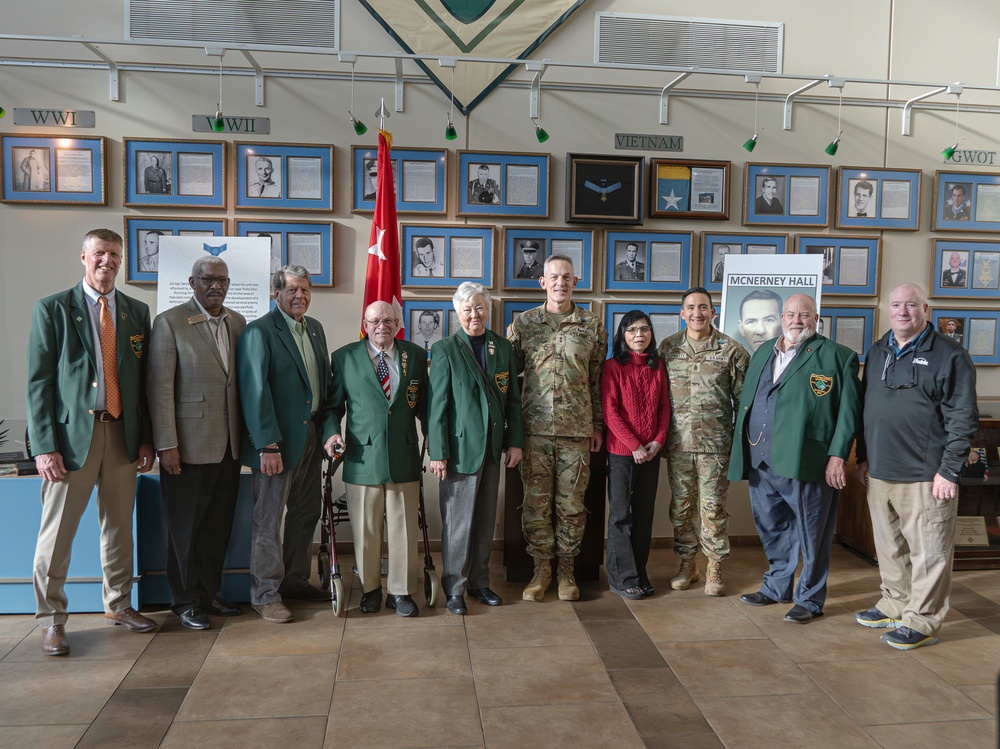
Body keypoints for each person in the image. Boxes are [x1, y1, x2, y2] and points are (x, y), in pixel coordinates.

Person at [27, 228, 156, 656]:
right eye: (100, 253)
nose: (108, 261)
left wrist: (146, 440)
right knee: (57, 535)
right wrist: (44, 446)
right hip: (70, 441)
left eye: (115, 255)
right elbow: (39, 384)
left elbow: (143, 385)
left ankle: (118, 605)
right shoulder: (54, 309)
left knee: (119, 529)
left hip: (122, 433)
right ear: (83, 257)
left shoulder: (138, 312)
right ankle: (52, 620)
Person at [854, 283, 978, 650]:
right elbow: (868, 411)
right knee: (890, 547)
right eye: (896, 305)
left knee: (929, 552)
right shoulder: (878, 351)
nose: (902, 311)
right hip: (879, 471)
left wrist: (949, 471)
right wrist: (863, 457)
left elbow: (963, 418)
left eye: (910, 305)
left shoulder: (950, 355)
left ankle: (923, 620)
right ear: (887, 310)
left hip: (926, 476)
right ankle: (895, 602)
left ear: (925, 308)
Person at [729, 293, 860, 624]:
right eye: (790, 314)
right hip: (761, 458)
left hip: (808, 460)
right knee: (771, 526)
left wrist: (837, 456)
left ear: (816, 319)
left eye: (804, 314)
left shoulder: (838, 356)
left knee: (812, 533)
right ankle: (776, 587)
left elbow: (848, 414)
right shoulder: (762, 352)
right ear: (782, 317)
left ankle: (810, 598)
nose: (796, 320)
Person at [148, 257, 246, 630]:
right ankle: (185, 600)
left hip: (228, 445)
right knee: (185, 528)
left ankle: (208, 592)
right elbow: (159, 388)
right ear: (192, 282)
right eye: (207, 280)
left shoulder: (237, 322)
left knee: (218, 525)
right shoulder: (169, 322)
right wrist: (166, 444)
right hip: (186, 447)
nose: (215, 286)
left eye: (222, 280)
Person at [236, 265, 336, 624]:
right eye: (292, 290)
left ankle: (295, 579)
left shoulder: (315, 329)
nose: (300, 296)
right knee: (268, 519)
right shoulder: (259, 332)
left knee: (305, 511)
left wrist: (327, 432)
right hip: (275, 443)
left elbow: (320, 385)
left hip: (310, 437)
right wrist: (267, 445)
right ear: (275, 293)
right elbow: (254, 391)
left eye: (306, 290)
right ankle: (265, 593)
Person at [508, 254, 607, 602]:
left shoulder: (592, 326)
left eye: (566, 277)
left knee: (572, 505)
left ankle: (566, 571)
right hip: (533, 431)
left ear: (575, 282)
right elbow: (507, 379)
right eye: (554, 277)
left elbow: (597, 382)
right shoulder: (524, 324)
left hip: (575, 432)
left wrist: (596, 425)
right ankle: (541, 570)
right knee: (535, 505)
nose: (560, 283)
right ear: (543, 282)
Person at [327, 302, 428, 617]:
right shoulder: (344, 358)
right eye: (374, 320)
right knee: (366, 529)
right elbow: (332, 408)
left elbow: (425, 406)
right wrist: (331, 434)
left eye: (387, 319)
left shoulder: (415, 355)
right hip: (361, 457)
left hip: (404, 455)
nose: (381, 325)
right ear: (365, 324)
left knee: (403, 528)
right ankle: (370, 589)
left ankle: (400, 592)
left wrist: (435, 447)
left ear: (397, 323)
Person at [428, 283, 523, 615]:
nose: (474, 315)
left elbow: (513, 400)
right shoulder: (444, 350)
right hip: (458, 450)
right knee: (458, 522)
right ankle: (454, 586)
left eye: (480, 307)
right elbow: (436, 406)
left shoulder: (503, 347)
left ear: (489, 309)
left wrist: (515, 442)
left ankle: (480, 583)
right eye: (467, 309)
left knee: (484, 520)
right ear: (457, 313)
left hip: (493, 449)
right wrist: (437, 452)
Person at [658, 287, 749, 596]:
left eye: (703, 307)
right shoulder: (667, 349)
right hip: (679, 445)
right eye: (691, 308)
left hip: (716, 446)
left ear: (714, 312)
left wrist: (740, 445)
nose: (697, 312)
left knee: (712, 508)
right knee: (682, 508)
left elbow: (744, 402)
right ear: (682, 314)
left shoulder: (731, 351)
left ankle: (714, 566)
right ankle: (687, 564)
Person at [602, 310, 670, 599]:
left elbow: (664, 408)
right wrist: (634, 445)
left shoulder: (658, 366)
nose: (639, 335)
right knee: (621, 516)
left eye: (644, 329)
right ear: (623, 335)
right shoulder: (612, 367)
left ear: (651, 333)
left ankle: (640, 573)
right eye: (632, 330)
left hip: (651, 454)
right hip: (621, 454)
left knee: (644, 515)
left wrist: (657, 441)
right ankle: (622, 577)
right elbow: (610, 411)